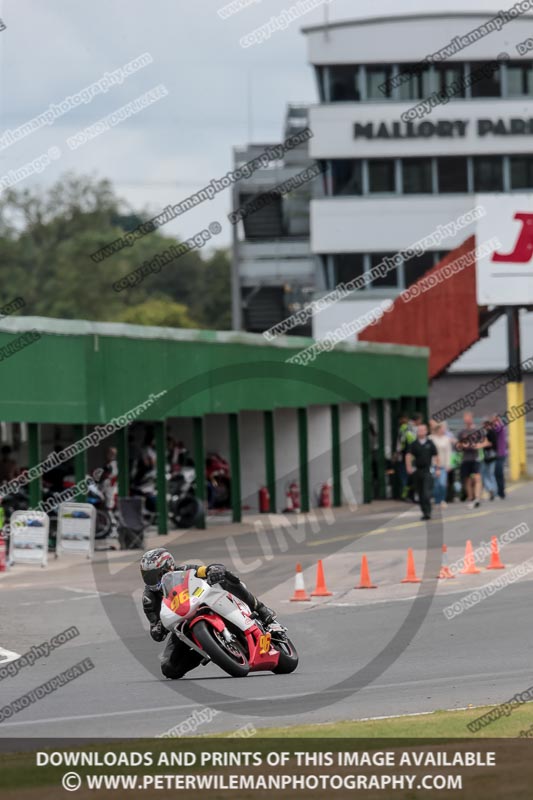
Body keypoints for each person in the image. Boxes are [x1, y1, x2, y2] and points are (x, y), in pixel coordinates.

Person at [140, 548, 277, 679]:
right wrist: (158, 628)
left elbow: (203, 570)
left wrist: (213, 569)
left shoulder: (183, 571)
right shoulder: (149, 598)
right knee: (169, 668)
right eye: (147, 576)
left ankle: (261, 609)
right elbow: (155, 630)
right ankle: (208, 650)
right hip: (183, 624)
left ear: (168, 567)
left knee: (226, 578)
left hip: (205, 602)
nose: (151, 580)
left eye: (154, 575)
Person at [406, 423, 440, 520]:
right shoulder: (414, 444)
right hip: (417, 470)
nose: (421, 432)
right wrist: (408, 467)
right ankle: (424, 512)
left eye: (423, 430)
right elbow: (408, 455)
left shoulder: (430, 443)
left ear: (426, 431)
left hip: (427, 470)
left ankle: (428, 511)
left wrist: (437, 469)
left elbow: (436, 456)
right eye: (419, 430)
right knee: (420, 492)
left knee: (426, 492)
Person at [456, 412, 486, 509]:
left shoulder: (477, 431)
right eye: (465, 418)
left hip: (476, 458)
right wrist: (462, 445)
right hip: (465, 458)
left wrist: (478, 445)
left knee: (477, 478)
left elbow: (486, 442)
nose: (467, 419)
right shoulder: (462, 432)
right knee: (467, 480)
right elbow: (457, 445)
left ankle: (477, 498)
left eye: (469, 418)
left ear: (472, 418)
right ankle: (471, 498)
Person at [429, 423, 452, 507]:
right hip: (433, 465)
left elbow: (448, 452)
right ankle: (437, 500)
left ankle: (442, 499)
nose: (444, 430)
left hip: (443, 465)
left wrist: (448, 464)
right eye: (443, 428)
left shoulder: (446, 439)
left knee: (442, 483)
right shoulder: (431, 438)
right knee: (435, 484)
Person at [395, 413, 416, 500]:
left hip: (404, 456)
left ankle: (405, 495)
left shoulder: (403, 428)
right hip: (412, 456)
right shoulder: (412, 428)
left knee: (405, 477)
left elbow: (401, 444)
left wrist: (397, 453)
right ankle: (409, 495)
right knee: (409, 476)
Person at [480, 418, 498, 501]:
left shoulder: (491, 433)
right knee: (486, 474)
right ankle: (491, 490)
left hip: (490, 457)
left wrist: (482, 445)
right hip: (487, 457)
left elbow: (490, 443)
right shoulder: (486, 433)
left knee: (489, 474)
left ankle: (492, 491)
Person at [491, 414, 507, 499]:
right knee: (498, 474)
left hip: (500, 454)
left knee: (498, 473)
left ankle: (501, 493)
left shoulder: (499, 426)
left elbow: (496, 429)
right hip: (500, 453)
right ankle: (501, 492)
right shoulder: (501, 426)